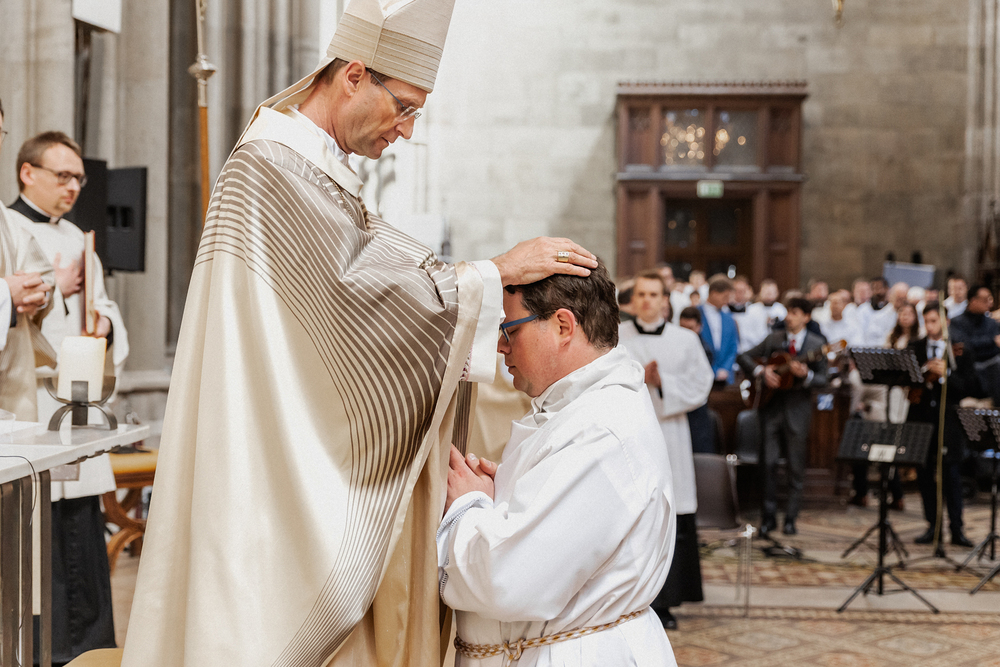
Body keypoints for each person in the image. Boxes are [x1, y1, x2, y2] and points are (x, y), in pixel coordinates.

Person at [121, 3, 599, 665]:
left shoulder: (320, 172)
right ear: (353, 75)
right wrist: (495, 273)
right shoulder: (273, 166)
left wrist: (472, 290)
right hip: (267, 455)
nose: (405, 131)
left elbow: (368, 294)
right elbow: (358, 305)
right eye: (404, 108)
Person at [438, 264, 677, 666]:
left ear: (563, 326)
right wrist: (500, 497)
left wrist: (468, 506)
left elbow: (508, 581)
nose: (500, 347)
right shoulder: (581, 407)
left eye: (509, 329)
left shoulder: (601, 427)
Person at [6, 130, 129, 664]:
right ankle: (49, 650)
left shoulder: (82, 239)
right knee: (39, 535)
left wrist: (105, 325)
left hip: (75, 405)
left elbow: (104, 307)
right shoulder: (8, 229)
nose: (74, 187)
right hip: (27, 400)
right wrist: (51, 285)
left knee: (81, 524)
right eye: (63, 176)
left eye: (79, 178)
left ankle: (90, 648)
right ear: (27, 173)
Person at [619, 271, 713, 630]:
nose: (647, 300)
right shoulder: (616, 337)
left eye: (653, 294)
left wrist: (663, 384)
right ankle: (629, 596)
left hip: (671, 433)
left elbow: (701, 384)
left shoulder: (685, 340)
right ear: (633, 300)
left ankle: (667, 601)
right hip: (629, 433)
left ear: (664, 300)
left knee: (671, 514)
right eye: (641, 294)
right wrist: (638, 379)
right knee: (633, 515)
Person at [738, 297, 828, 535]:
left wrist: (807, 375)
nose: (789, 317)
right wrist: (762, 371)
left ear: (806, 317)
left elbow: (824, 379)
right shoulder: (773, 339)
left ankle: (790, 519)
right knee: (767, 464)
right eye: (788, 312)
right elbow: (744, 356)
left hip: (798, 411)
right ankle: (768, 518)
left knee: (795, 467)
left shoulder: (817, 343)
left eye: (795, 312)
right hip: (770, 408)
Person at [0, 98, 54, 418]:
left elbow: (39, 274)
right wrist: (7, 294)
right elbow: (10, 290)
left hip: (12, 385)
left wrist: (40, 295)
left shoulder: (5, 218)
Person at [908, 303, 978, 547]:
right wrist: (923, 372)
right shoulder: (915, 347)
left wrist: (946, 374)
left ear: (946, 322)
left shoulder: (960, 349)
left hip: (949, 423)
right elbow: (905, 381)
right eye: (926, 321)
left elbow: (971, 386)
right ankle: (932, 526)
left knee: (951, 476)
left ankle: (957, 528)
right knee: (925, 475)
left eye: (934, 321)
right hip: (922, 419)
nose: (930, 326)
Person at [951, 284, 1000, 406]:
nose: (989, 303)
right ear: (973, 300)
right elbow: (965, 348)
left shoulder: (991, 323)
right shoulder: (957, 322)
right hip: (967, 377)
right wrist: (991, 342)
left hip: (991, 377)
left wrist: (982, 345)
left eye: (990, 299)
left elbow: (996, 349)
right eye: (985, 300)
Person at [679, 306, 719, 454]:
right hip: (678, 403)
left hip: (696, 406)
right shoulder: (675, 345)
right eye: (682, 328)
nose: (685, 333)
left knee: (699, 449)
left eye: (690, 328)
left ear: (699, 327)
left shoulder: (705, 350)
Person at [698, 277, 738, 383]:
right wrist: (713, 370)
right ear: (714, 293)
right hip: (701, 374)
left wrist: (725, 368)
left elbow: (733, 346)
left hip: (725, 376)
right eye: (725, 297)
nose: (727, 301)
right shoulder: (697, 313)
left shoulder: (729, 318)